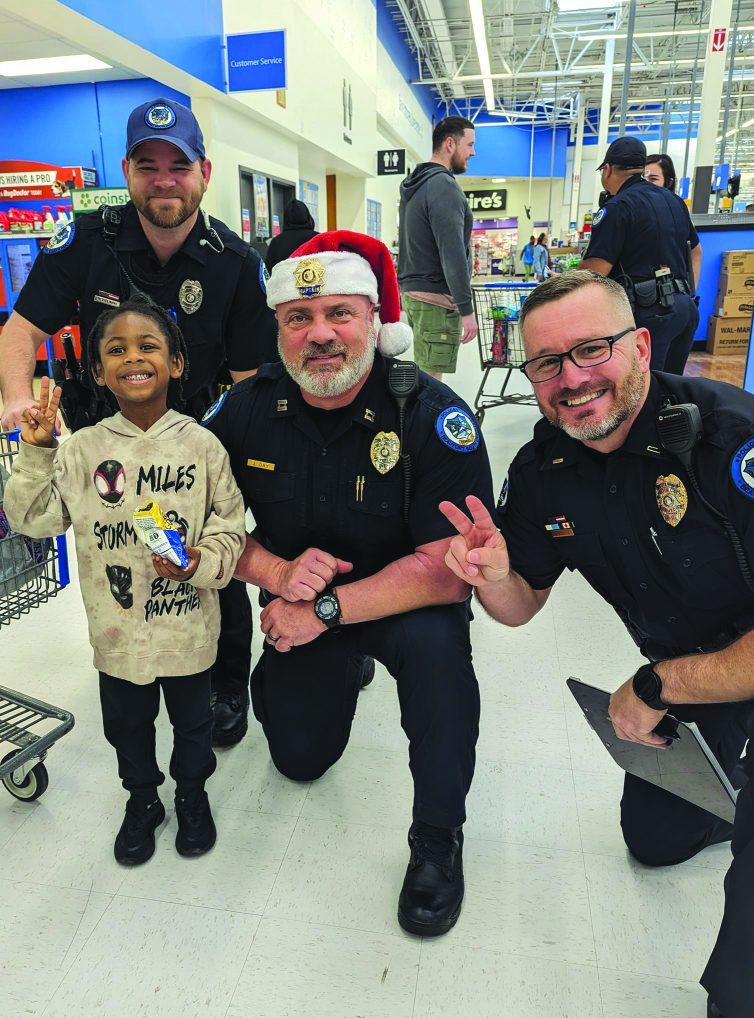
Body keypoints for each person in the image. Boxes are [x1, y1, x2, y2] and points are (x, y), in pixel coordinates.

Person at [441, 269, 754, 1018]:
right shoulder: (547, 468)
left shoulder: (730, 441)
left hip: (693, 673)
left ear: (641, 344)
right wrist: (491, 574)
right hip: (706, 680)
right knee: (653, 839)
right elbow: (521, 607)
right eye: (546, 362)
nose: (571, 380)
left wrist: (654, 687)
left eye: (591, 350)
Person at [203, 230, 494, 937]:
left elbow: (450, 574)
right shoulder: (244, 409)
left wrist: (326, 610)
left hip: (406, 597)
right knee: (299, 758)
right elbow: (182, 521)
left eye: (341, 313)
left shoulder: (432, 415)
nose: (320, 335)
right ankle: (334, 667)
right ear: (277, 328)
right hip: (300, 594)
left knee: (439, 663)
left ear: (374, 321)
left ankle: (437, 841)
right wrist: (271, 572)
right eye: (298, 318)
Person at [0, 97, 278, 747]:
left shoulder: (235, 264)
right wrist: (15, 397)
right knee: (118, 561)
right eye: (148, 164)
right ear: (126, 170)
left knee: (210, 563)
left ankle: (223, 681)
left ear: (203, 172)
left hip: (198, 437)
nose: (163, 179)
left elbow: (247, 384)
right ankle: (137, 667)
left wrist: (222, 471)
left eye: (177, 165)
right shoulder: (86, 243)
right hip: (105, 448)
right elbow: (21, 327)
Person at [4, 297, 245, 866]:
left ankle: (191, 795)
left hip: (187, 631)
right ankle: (143, 801)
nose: (133, 358)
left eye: (148, 346)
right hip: (115, 636)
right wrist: (37, 452)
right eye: (116, 349)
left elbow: (231, 532)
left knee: (193, 725)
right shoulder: (82, 449)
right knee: (127, 728)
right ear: (96, 370)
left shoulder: (203, 447)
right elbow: (31, 519)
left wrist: (196, 564)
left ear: (177, 364)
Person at [581, 135, 702, 376]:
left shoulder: (617, 207)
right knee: (671, 386)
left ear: (607, 169)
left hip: (649, 314)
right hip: (685, 309)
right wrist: (685, 292)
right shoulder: (675, 201)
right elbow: (696, 251)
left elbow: (594, 272)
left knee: (642, 389)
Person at [398, 116, 478, 381]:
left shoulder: (417, 184)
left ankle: (416, 421)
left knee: (425, 373)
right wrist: (466, 309)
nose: (473, 152)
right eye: (469, 144)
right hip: (436, 296)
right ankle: (421, 423)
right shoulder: (443, 186)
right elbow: (452, 251)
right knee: (431, 381)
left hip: (415, 293)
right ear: (449, 144)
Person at [265, 199, 318, 270]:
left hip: (284, 281)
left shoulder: (277, 242)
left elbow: (268, 272)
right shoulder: (317, 238)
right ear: (307, 216)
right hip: (315, 280)